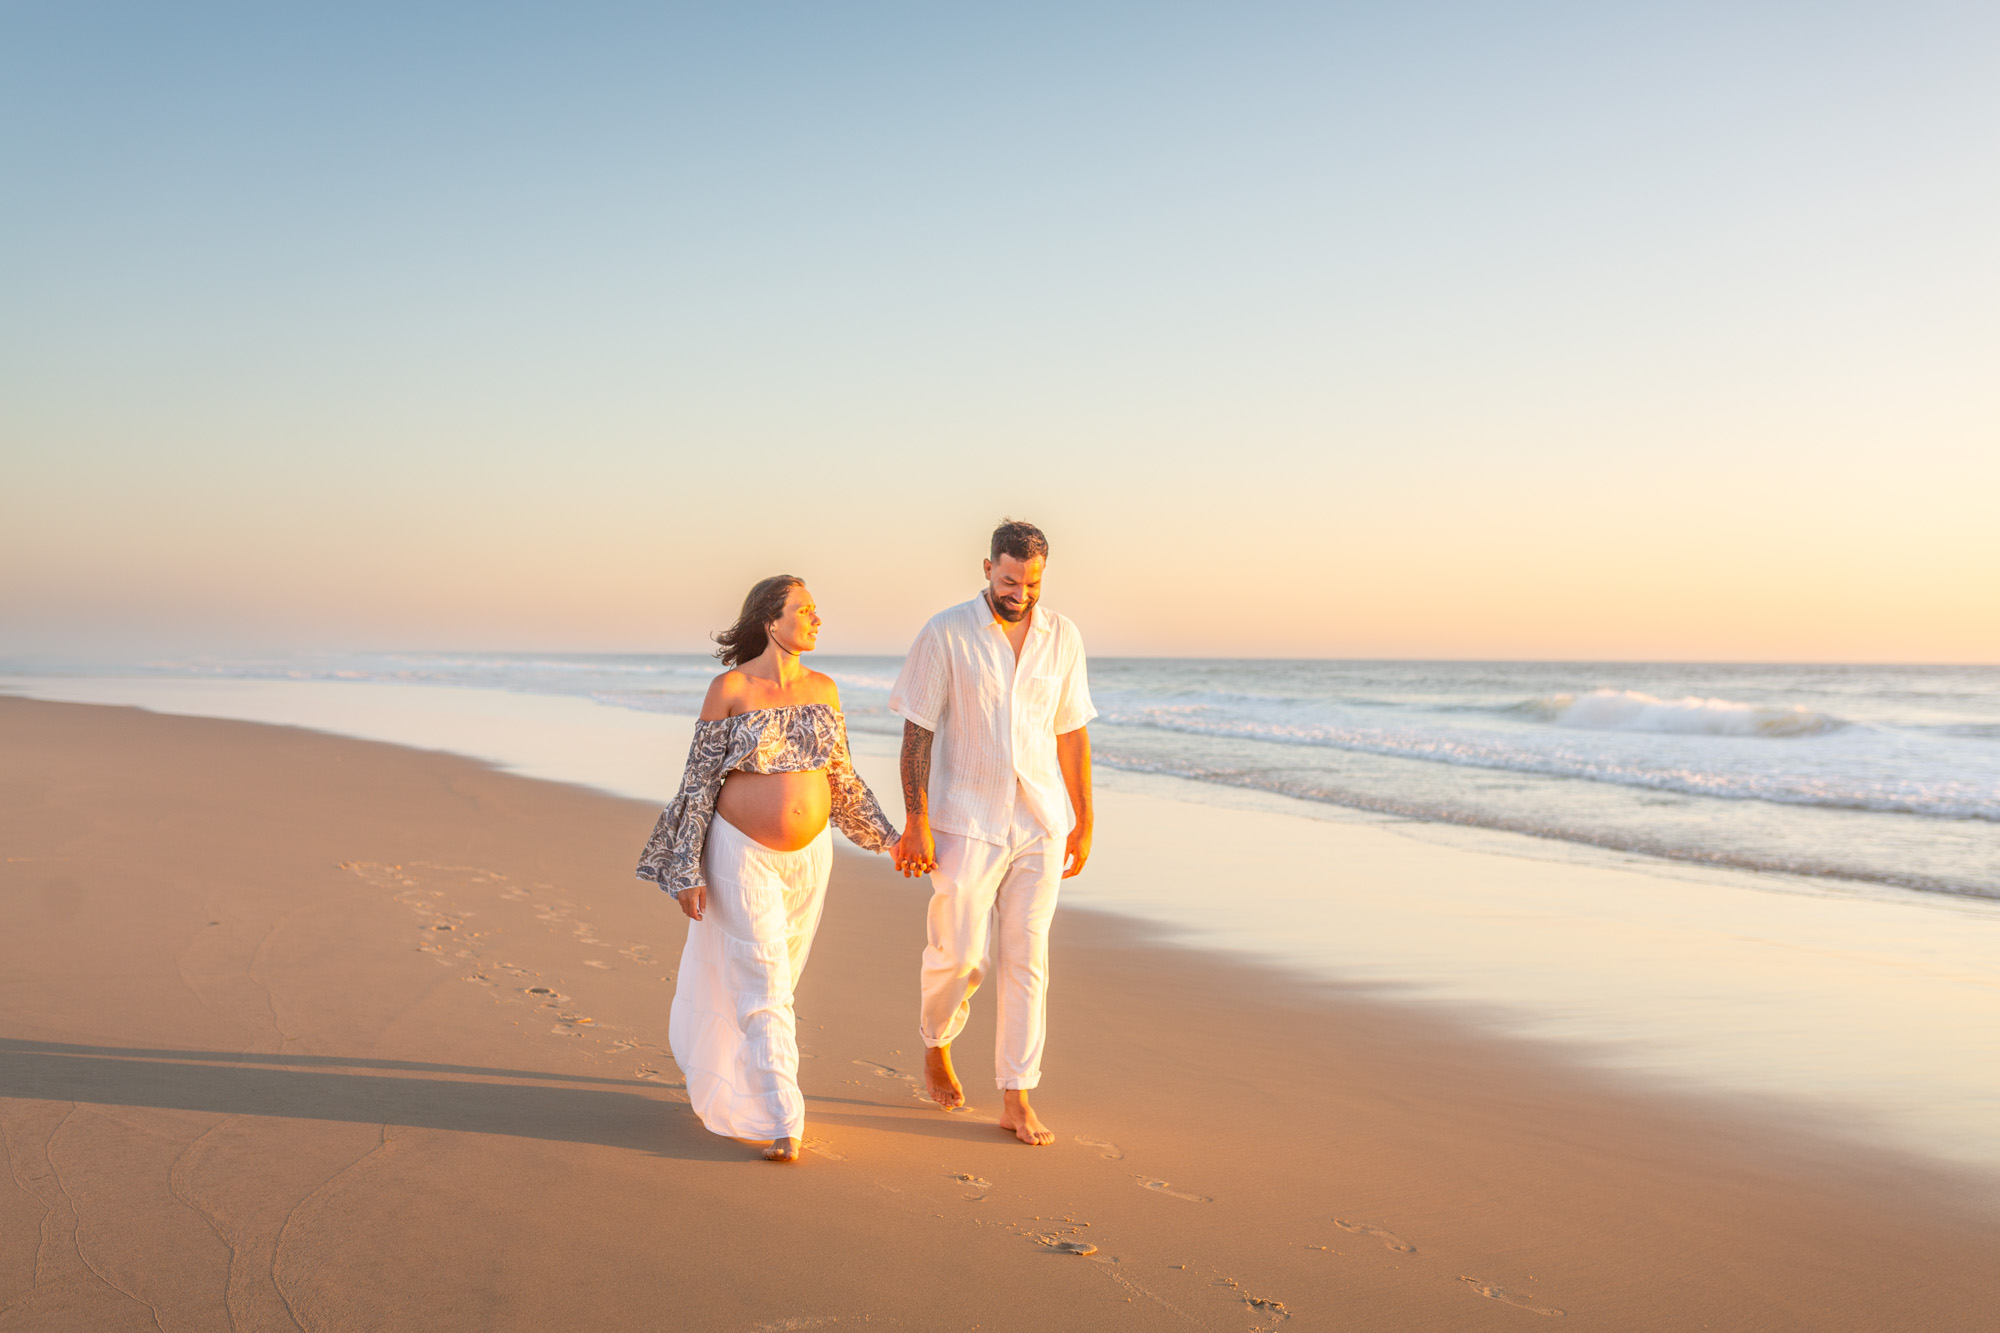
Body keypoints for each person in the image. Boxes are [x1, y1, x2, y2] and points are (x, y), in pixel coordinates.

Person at [636, 576, 897, 1162]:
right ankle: (784, 1117)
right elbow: (697, 784)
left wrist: (890, 839)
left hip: (810, 860)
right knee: (765, 979)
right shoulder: (730, 687)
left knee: (781, 972)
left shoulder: (825, 689)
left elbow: (843, 780)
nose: (816, 619)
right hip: (740, 852)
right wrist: (687, 870)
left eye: (816, 611)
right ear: (769, 620)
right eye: (804, 610)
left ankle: (747, 1077)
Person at [888, 519, 1095, 1146]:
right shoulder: (946, 632)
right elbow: (917, 731)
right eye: (1010, 579)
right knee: (960, 954)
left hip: (1040, 820)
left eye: (1032, 581)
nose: (1021, 592)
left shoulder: (1062, 636)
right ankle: (936, 1041)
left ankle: (1016, 1095)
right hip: (966, 818)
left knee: (1026, 957)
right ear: (987, 568)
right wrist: (916, 821)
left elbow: (1071, 732)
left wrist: (1084, 820)